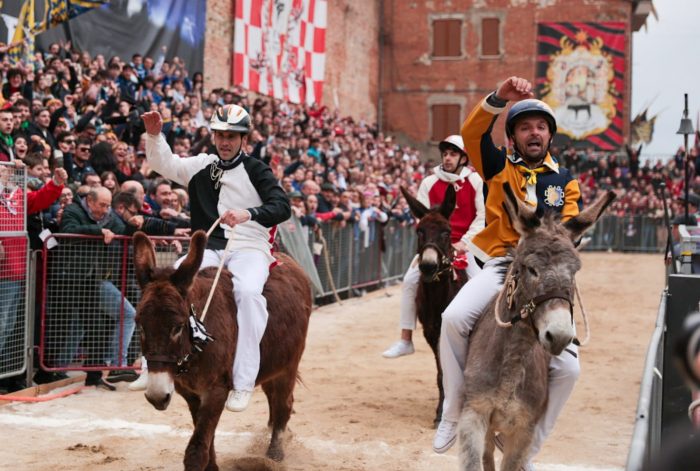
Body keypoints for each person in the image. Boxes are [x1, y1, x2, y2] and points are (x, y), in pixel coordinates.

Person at [432, 77, 583, 465]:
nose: (534, 132)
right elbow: (470, 132)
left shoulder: (565, 181)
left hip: (546, 274)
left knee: (567, 368)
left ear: (550, 135)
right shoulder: (497, 165)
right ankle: (452, 409)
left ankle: (530, 443)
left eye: (541, 127)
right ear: (513, 137)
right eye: (525, 127)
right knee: (452, 318)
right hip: (500, 264)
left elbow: (567, 230)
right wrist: (499, 97)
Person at [141, 104, 290, 412]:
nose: (225, 141)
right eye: (220, 135)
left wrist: (249, 213)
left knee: (248, 293)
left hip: (249, 245)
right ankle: (149, 367)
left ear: (243, 139)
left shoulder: (257, 170)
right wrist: (154, 135)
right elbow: (163, 162)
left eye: (232, 136)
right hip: (208, 247)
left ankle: (244, 380)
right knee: (165, 290)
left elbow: (281, 206)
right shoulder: (200, 164)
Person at [383, 135, 485, 358]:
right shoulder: (429, 182)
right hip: (435, 244)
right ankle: (405, 339)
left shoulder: (476, 181)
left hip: (466, 246)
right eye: (445, 154)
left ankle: (482, 337)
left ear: (463, 158)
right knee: (410, 281)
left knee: (478, 283)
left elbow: (481, 216)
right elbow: (423, 218)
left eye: (453, 154)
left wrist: (463, 243)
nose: (448, 158)